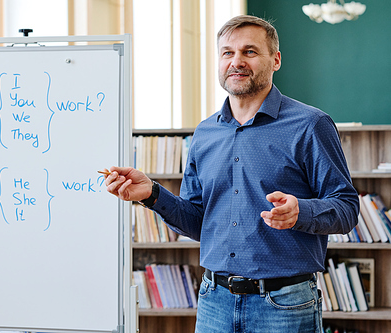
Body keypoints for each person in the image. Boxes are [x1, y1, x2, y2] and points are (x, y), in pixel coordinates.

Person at [104, 15, 359, 333]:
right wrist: (152, 194)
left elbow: (347, 208)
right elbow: (198, 222)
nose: (237, 61)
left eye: (250, 51)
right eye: (227, 52)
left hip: (284, 305)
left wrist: (300, 211)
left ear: (275, 59)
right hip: (213, 302)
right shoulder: (205, 132)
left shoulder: (310, 125)